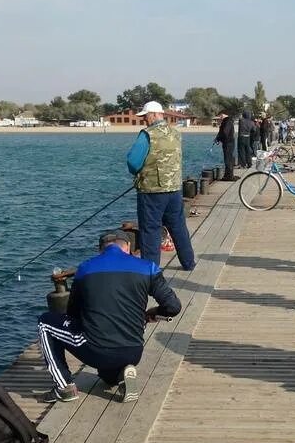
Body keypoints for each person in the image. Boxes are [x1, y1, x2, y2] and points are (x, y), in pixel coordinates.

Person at [37, 231, 182, 402]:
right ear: (127, 247)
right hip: (134, 351)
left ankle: (64, 387)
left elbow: (73, 314)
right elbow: (173, 307)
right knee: (106, 376)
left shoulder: (85, 269)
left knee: (45, 322)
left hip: (97, 351)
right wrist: (153, 313)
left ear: (100, 250)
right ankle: (122, 373)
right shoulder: (148, 267)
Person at [126, 100, 196, 269]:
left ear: (155, 115)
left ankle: (151, 271)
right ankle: (188, 263)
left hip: (152, 192)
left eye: (145, 116)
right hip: (174, 189)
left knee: (150, 231)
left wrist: (139, 172)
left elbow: (133, 163)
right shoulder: (176, 133)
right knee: (178, 227)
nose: (144, 120)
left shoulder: (146, 134)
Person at [215, 111, 238, 181]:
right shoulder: (227, 121)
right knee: (229, 159)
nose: (220, 117)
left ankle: (229, 176)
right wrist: (218, 138)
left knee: (228, 159)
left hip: (228, 143)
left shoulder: (227, 121)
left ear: (224, 114)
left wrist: (219, 138)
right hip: (229, 142)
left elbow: (225, 133)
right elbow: (223, 132)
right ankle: (228, 175)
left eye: (220, 115)